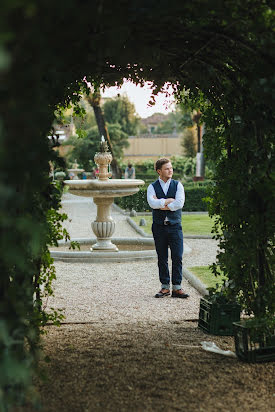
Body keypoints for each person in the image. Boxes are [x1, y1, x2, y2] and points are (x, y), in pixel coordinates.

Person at [147, 158, 189, 299]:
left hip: (175, 227)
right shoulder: (152, 187)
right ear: (159, 171)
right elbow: (152, 203)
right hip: (158, 227)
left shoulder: (178, 185)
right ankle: (165, 287)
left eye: (171, 168)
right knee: (162, 258)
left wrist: (162, 204)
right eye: (167, 168)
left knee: (177, 256)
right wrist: (167, 201)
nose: (170, 170)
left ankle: (177, 287)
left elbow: (179, 203)